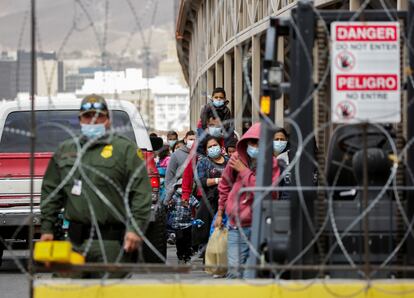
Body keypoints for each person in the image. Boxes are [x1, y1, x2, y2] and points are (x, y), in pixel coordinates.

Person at [40, 94, 152, 278]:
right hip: (74, 242)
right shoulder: (66, 150)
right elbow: (51, 192)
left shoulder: (125, 150)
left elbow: (141, 193)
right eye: (88, 116)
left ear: (108, 120)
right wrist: (47, 228)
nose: (93, 121)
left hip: (111, 245)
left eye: (99, 116)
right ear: (80, 120)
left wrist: (135, 228)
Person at [214, 122, 281, 278]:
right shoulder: (236, 159)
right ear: (245, 142)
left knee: (253, 274)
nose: (255, 146)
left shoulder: (272, 163)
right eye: (252, 142)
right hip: (237, 224)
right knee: (235, 271)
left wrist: (244, 172)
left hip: (261, 225)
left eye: (259, 143)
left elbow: (265, 192)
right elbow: (224, 186)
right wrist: (220, 212)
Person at [193, 135, 229, 257]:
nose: (213, 148)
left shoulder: (229, 161)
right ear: (206, 150)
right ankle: (208, 255)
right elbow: (201, 181)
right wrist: (219, 180)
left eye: (215, 145)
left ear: (220, 146)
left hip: (227, 200)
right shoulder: (203, 162)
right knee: (208, 228)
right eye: (210, 147)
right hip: (210, 200)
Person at [165, 130, 196, 263]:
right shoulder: (177, 155)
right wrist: (169, 196)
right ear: (185, 139)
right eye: (190, 139)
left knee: (192, 229)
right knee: (180, 233)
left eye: (195, 139)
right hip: (180, 194)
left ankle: (190, 250)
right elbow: (169, 176)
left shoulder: (199, 154)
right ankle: (182, 253)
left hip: (195, 195)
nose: (192, 141)